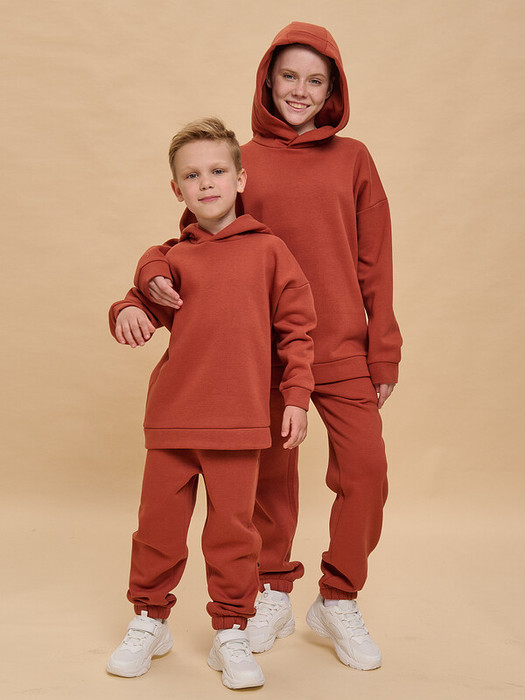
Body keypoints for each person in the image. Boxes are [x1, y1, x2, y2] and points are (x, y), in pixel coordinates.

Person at [133, 21, 402, 671]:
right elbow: (194, 238)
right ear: (267, 80)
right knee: (270, 485)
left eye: (316, 80)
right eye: (289, 76)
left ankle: (337, 597)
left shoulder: (354, 158)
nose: (300, 91)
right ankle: (273, 590)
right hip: (261, 354)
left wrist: (383, 349)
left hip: (342, 348)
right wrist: (149, 273)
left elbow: (376, 259)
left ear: (332, 90)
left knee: (365, 472)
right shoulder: (240, 160)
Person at [106, 117, 316, 690]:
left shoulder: (271, 252)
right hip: (173, 419)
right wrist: (128, 309)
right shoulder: (172, 259)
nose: (206, 183)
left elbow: (298, 332)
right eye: (192, 176)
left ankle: (232, 629)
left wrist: (297, 397)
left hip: (241, 422)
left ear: (240, 178)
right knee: (157, 529)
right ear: (177, 189)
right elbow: (139, 302)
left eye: (218, 171)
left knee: (233, 535)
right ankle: (150, 620)